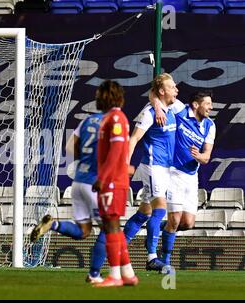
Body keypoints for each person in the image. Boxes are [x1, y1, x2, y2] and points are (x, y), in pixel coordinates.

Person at [29, 110, 106, 284]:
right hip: (95, 183)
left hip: (78, 182)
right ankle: (94, 274)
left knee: (83, 231)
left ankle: (53, 224)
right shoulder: (114, 124)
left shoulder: (87, 121)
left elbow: (70, 146)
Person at [150, 91, 216, 272]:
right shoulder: (180, 110)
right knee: (176, 219)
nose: (211, 107)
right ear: (196, 105)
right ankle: (166, 262)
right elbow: (155, 94)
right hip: (174, 173)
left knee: (187, 223)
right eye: (208, 104)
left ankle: (158, 228)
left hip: (191, 177)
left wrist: (199, 156)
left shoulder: (210, 126)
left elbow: (206, 157)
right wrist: (157, 109)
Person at [122, 73, 178, 272]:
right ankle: (152, 258)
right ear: (162, 91)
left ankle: (117, 249)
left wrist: (157, 102)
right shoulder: (148, 113)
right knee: (160, 210)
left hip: (164, 169)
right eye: (172, 87)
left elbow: (152, 93)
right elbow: (133, 139)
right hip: (153, 167)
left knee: (144, 213)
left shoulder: (171, 107)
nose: (176, 90)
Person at [92, 80, 138, 287]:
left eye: (99, 94)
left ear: (107, 96)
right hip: (113, 179)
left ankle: (115, 276)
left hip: (113, 181)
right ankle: (127, 274)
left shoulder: (117, 118)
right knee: (114, 227)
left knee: (110, 226)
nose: (96, 98)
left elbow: (117, 151)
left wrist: (104, 178)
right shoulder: (109, 118)